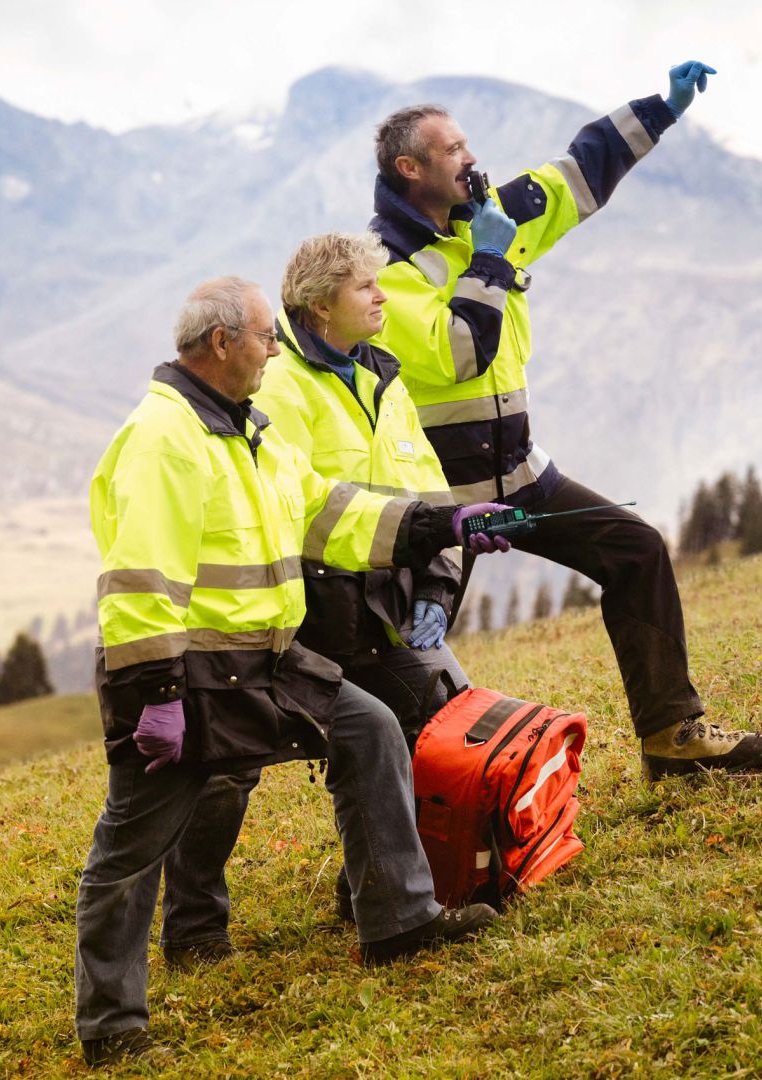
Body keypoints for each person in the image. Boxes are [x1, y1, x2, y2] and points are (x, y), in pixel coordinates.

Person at [76, 276, 509, 1067]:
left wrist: (438, 524)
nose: (277, 350)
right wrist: (158, 698)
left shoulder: (253, 431)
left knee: (370, 730)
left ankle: (399, 922)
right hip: (187, 679)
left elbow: (329, 511)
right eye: (265, 339)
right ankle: (111, 1025)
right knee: (131, 845)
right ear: (221, 344)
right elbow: (138, 584)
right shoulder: (163, 439)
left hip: (269, 664)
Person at [368, 61, 762, 779]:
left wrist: (664, 106)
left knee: (635, 552)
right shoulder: (384, 270)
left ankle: (671, 738)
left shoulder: (491, 211)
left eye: (468, 145)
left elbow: (580, 169)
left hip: (520, 476)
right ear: (410, 168)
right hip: (444, 508)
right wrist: (488, 258)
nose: (471, 158)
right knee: (409, 663)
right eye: (454, 150)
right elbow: (459, 354)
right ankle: (399, 847)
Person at [157, 234, 472, 966]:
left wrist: (436, 580)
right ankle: (194, 928)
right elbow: (285, 511)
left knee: (433, 715)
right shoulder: (278, 387)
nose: (382, 296)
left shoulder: (386, 381)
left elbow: (424, 490)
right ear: (321, 304)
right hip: (298, 616)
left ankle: (378, 893)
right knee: (227, 763)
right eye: (366, 286)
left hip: (384, 607)